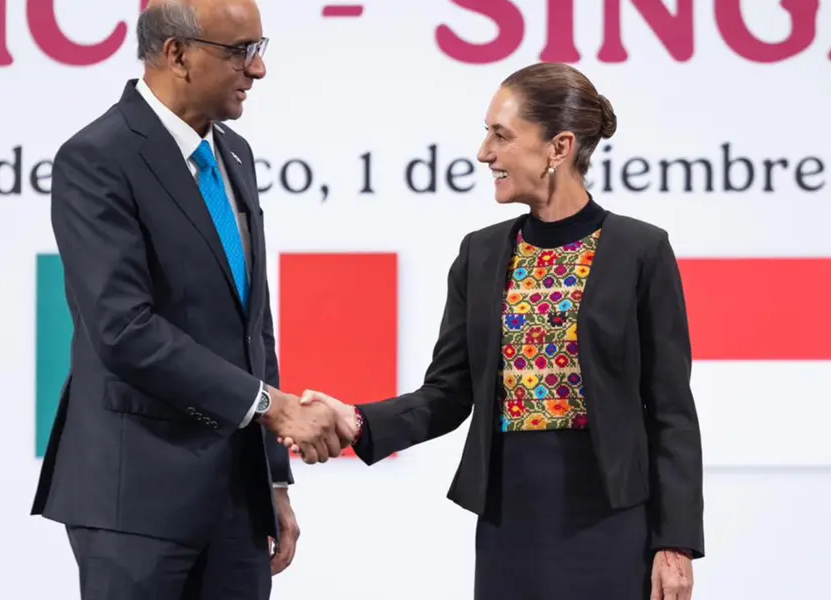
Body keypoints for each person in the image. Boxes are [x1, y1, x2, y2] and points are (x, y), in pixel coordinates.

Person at [292, 62, 704, 600]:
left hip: (613, 520)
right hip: (511, 522)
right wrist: (356, 420)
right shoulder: (480, 254)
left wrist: (675, 543)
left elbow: (671, 410)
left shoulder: (640, 250)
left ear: (558, 147)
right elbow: (447, 392)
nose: (485, 153)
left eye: (501, 135)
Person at [30, 1, 349, 598]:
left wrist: (273, 480)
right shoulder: (97, 157)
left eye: (259, 50)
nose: (257, 70)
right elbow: (123, 330)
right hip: (135, 500)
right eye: (240, 52)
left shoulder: (235, 154)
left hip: (237, 501)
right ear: (177, 54)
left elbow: (253, 326)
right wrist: (268, 406)